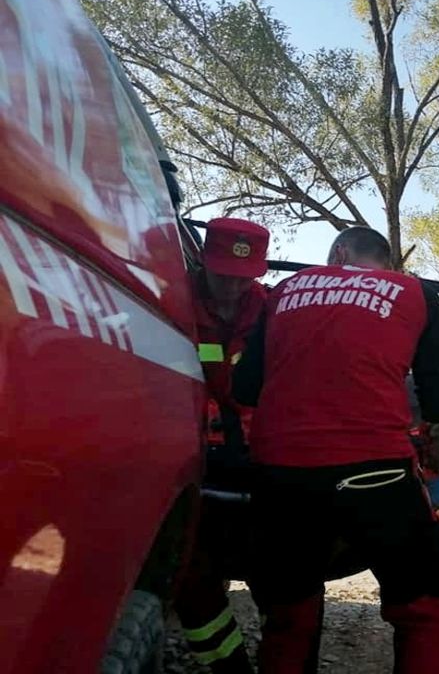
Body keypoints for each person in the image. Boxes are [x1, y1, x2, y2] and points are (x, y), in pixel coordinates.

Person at [233, 226, 439, 674]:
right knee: (423, 614)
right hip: (377, 475)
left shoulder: (284, 291)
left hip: (281, 477)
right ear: (385, 264)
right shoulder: (413, 291)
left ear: (337, 252)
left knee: (288, 616)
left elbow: (245, 387)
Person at [174, 217, 270, 674]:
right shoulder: (171, 305)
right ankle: (229, 668)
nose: (232, 288)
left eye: (243, 278)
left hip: (258, 457)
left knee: (280, 572)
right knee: (193, 576)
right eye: (222, 276)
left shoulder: (270, 309)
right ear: (202, 263)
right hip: (191, 461)